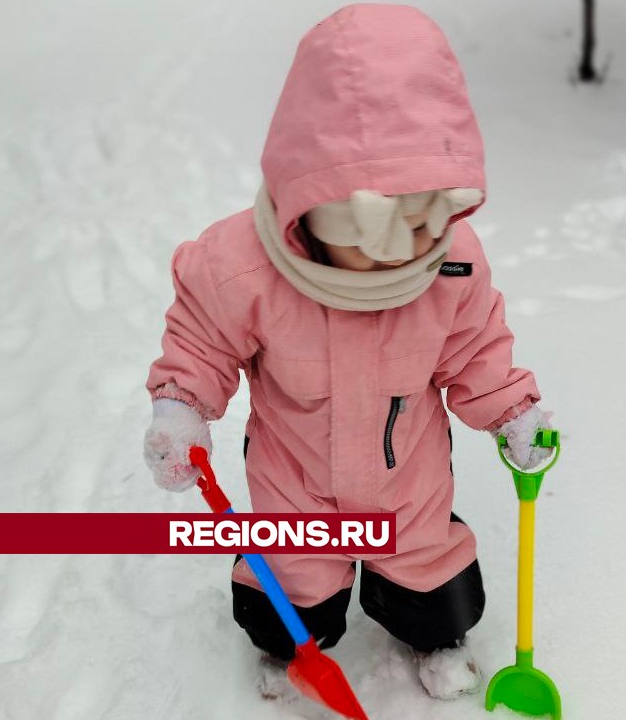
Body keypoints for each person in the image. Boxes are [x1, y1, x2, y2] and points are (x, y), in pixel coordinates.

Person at [143, 3, 554, 702]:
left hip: (409, 483)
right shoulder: (241, 269)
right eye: (367, 235)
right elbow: (202, 340)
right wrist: (182, 407)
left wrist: (514, 411)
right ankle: (292, 640)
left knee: (435, 586)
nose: (394, 260)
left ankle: (432, 629)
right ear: (309, 198)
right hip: (296, 477)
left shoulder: (453, 266)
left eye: (423, 228)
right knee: (287, 596)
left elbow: (477, 346)